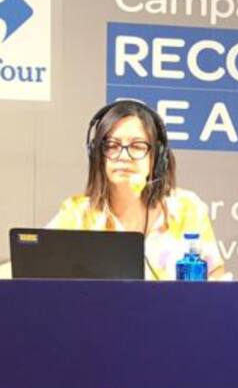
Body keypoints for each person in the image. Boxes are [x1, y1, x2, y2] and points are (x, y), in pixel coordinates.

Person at [47, 100, 228, 280]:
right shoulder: (76, 214)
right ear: (98, 156)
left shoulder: (186, 208)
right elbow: (39, 271)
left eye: (137, 146)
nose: (124, 156)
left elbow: (215, 279)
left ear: (157, 157)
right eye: (112, 146)